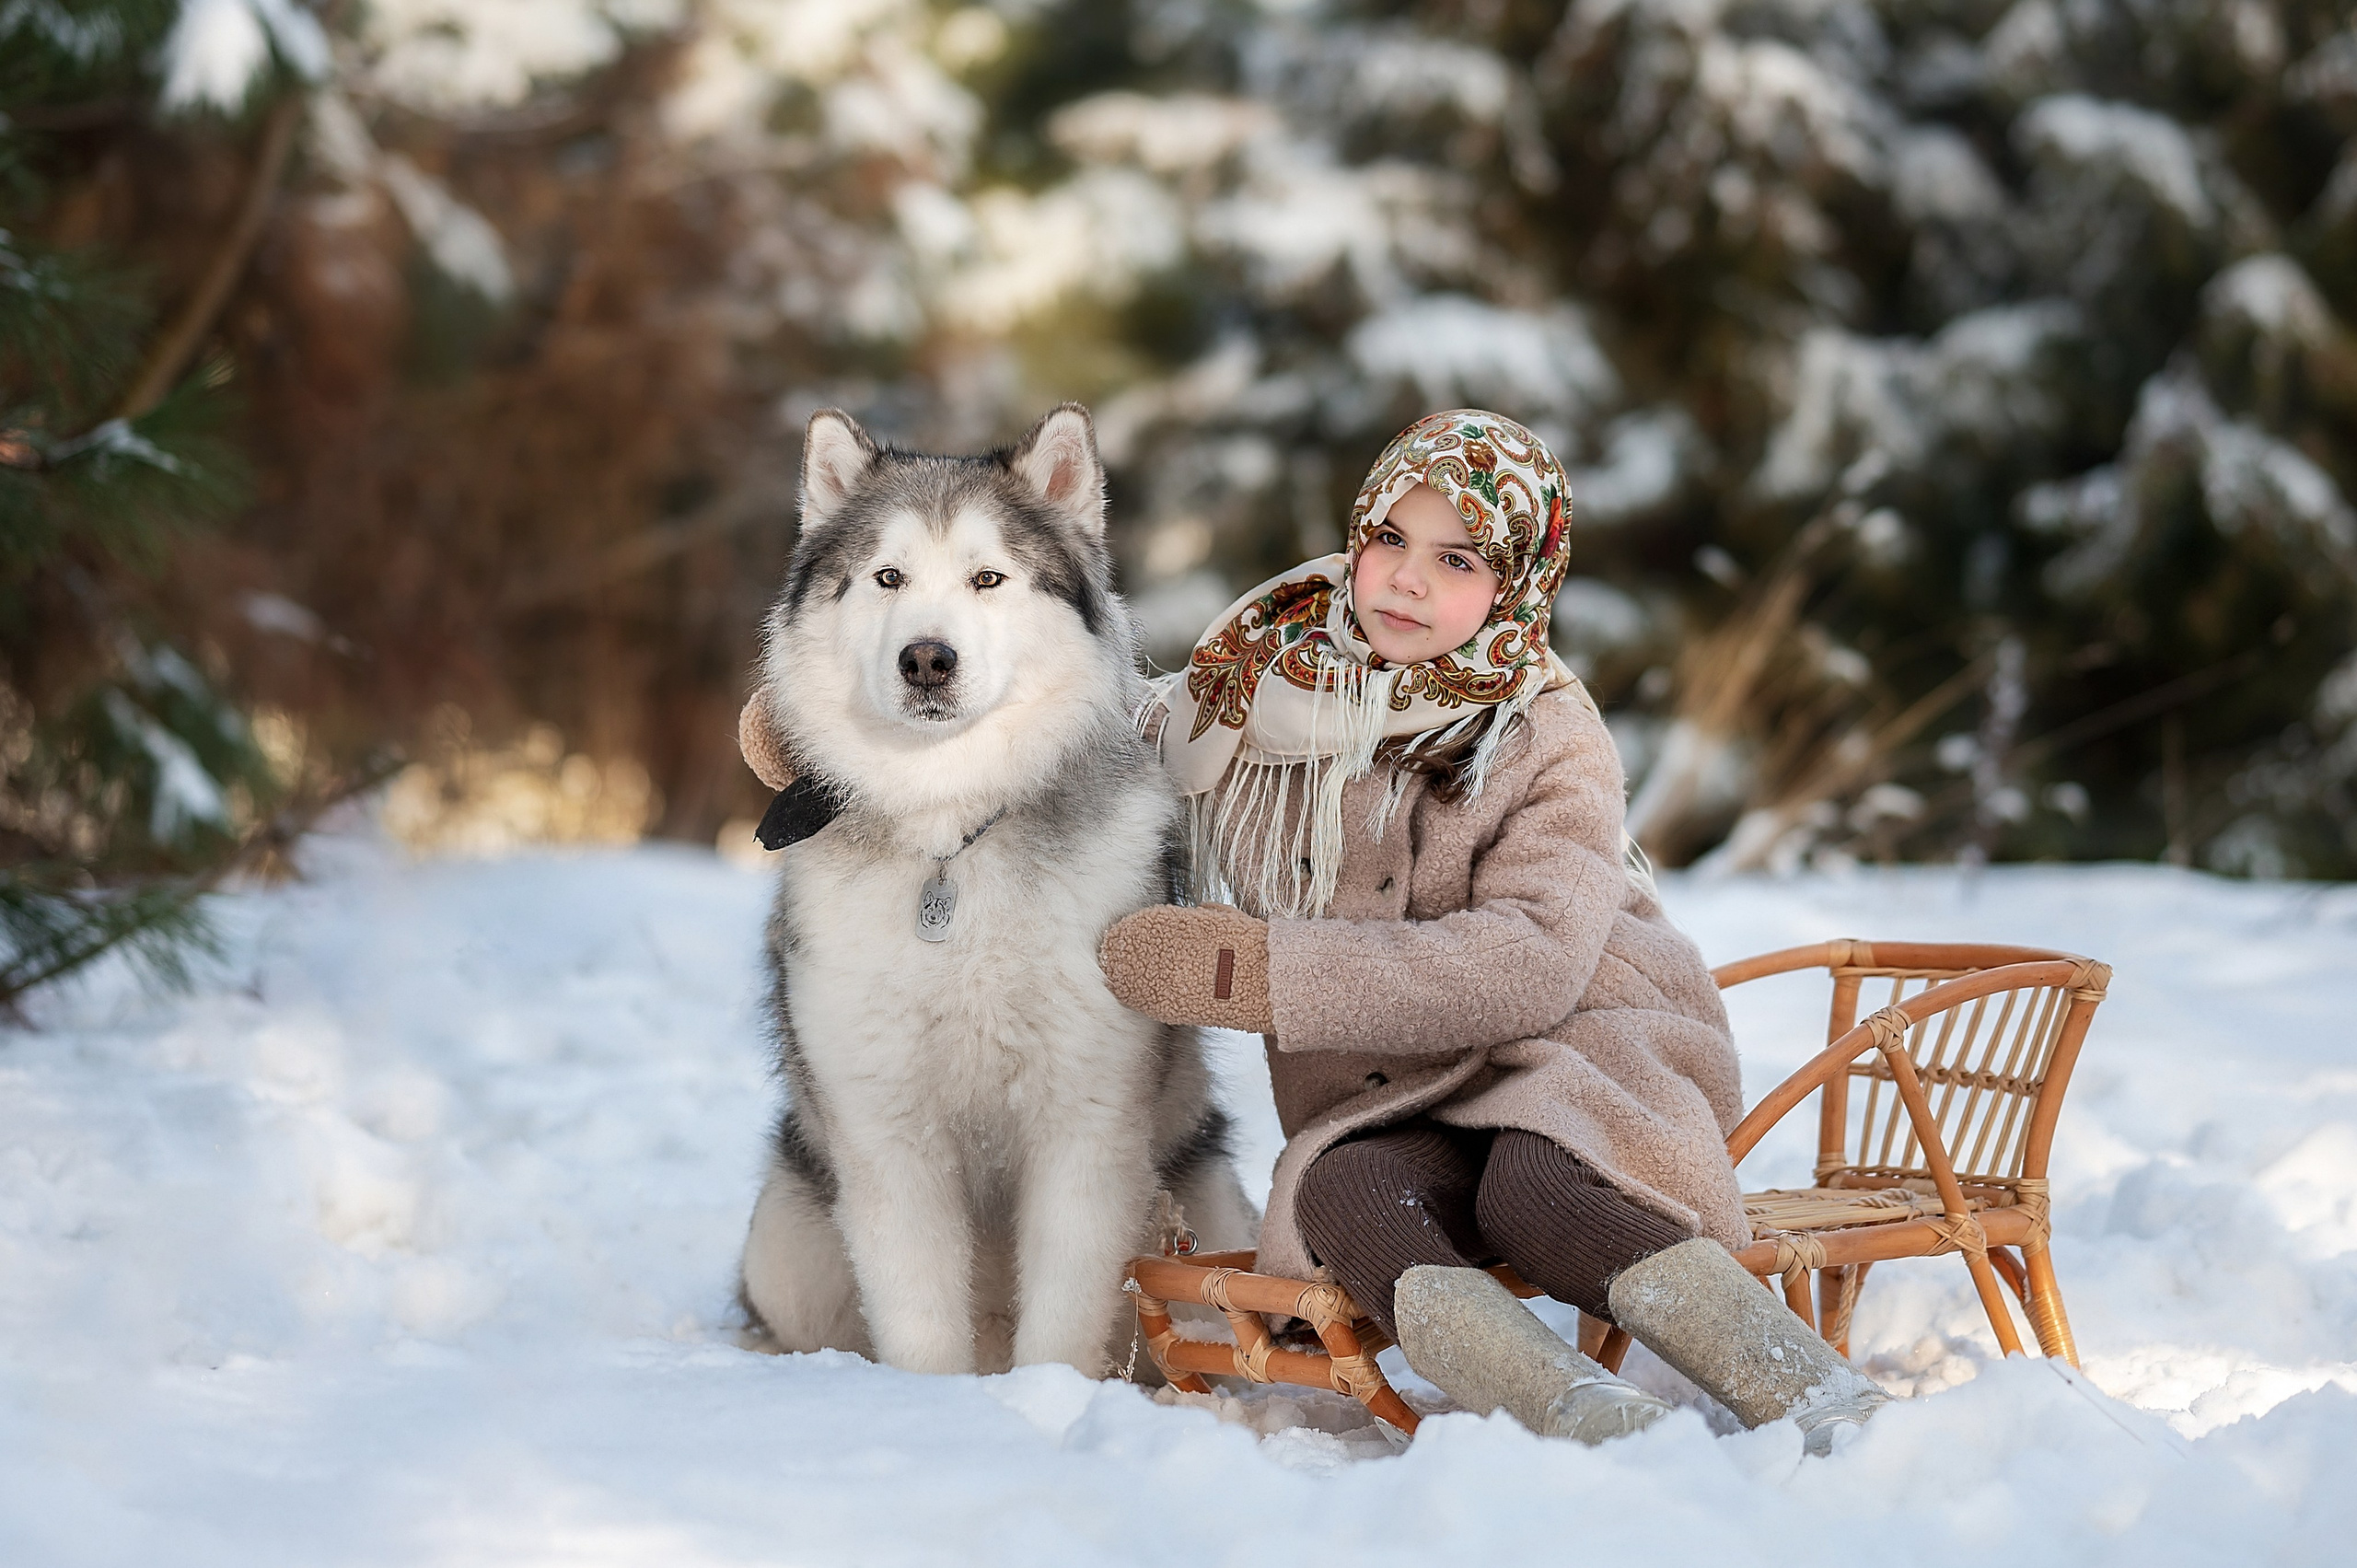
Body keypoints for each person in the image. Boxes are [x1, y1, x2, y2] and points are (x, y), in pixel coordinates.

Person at [1098, 409, 1887, 1450]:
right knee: (1344, 1190)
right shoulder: (1269, 687)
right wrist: (829, 728)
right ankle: (1579, 1412)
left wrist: (1259, 970)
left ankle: (1810, 1389)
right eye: (1388, 539)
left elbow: (1527, 960)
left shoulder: (1547, 731)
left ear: (1516, 582)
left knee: (1534, 1184)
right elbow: (1092, 722)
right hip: (1398, 1088)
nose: (1407, 580)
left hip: (1574, 1044)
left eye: (1457, 557)